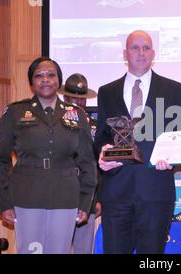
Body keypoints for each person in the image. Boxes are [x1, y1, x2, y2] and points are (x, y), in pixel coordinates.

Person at [0, 57, 97, 254]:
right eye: (39, 76)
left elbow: (88, 163)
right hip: (27, 197)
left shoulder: (76, 114)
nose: (45, 79)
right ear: (32, 83)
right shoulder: (15, 112)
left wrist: (85, 202)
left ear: (59, 81)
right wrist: (4, 203)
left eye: (51, 75)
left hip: (65, 198)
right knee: (31, 251)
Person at [94, 30, 181, 254]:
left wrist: (173, 159)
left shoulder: (173, 89)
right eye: (135, 48)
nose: (141, 52)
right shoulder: (107, 92)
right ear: (125, 53)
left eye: (146, 48)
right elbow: (102, 138)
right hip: (116, 192)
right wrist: (102, 153)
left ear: (153, 53)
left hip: (155, 191)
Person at [58, 73, 101, 254]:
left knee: (84, 250)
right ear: (65, 97)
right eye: (73, 97)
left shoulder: (95, 127)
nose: (78, 102)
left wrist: (99, 198)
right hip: (58, 199)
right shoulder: (53, 123)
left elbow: (100, 164)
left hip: (87, 199)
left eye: (82, 99)